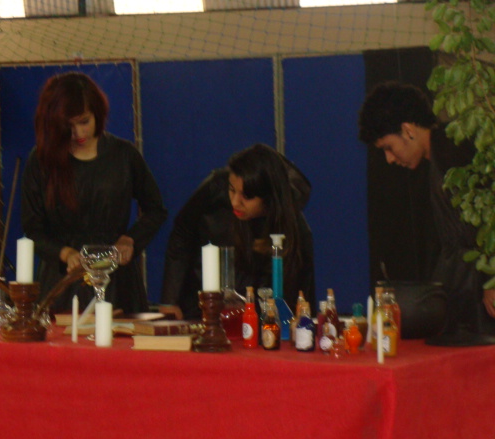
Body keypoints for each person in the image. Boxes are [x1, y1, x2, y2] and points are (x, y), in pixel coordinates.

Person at [358, 81, 495, 338]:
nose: (389, 158)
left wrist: (491, 279)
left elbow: (491, 214)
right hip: (464, 286)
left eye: (388, 147)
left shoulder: (455, 149)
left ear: (408, 130)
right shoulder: (441, 155)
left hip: (479, 292)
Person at [21, 72, 167, 314]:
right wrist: (65, 253)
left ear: (97, 113)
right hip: (63, 279)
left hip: (116, 277)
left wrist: (130, 239)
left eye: (84, 122)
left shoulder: (124, 155)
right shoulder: (41, 160)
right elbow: (32, 228)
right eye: (68, 126)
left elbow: (155, 209)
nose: (79, 133)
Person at [161, 143, 315, 319]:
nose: (235, 202)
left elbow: (300, 298)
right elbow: (182, 231)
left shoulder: (293, 227)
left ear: (269, 198)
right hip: (203, 303)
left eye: (247, 196)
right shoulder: (216, 185)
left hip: (258, 313)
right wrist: (169, 299)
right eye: (231, 190)